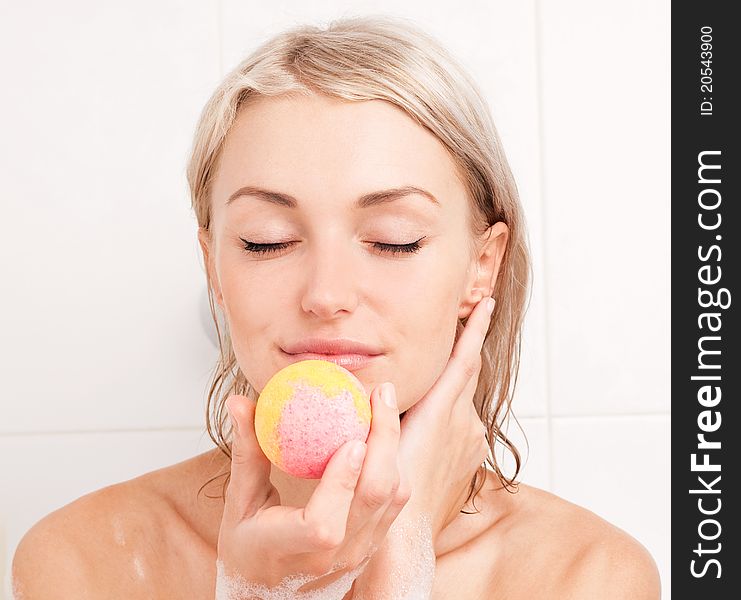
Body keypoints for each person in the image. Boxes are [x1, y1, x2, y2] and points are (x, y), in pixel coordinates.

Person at [11, 15, 661, 599]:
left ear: (479, 265)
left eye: (392, 240)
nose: (325, 296)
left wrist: (400, 556)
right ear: (214, 265)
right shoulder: (83, 563)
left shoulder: (586, 578)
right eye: (266, 241)